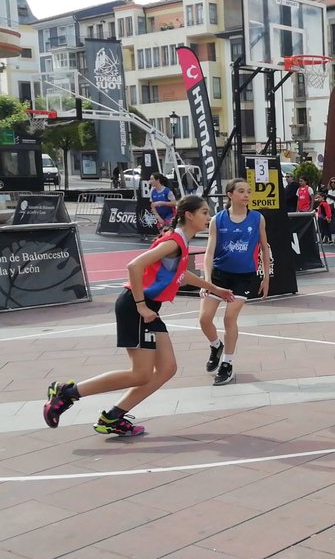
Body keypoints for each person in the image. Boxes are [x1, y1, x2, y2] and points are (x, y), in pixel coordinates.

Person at [43, 196, 236, 436]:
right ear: (189, 215)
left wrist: (215, 289)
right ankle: (66, 393)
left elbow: (182, 275)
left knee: (167, 369)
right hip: (136, 308)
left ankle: (112, 418)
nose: (209, 218)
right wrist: (141, 305)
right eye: (205, 212)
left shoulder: (180, 242)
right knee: (141, 374)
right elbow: (134, 266)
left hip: (149, 309)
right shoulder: (174, 242)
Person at [199, 179, 271, 386]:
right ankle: (215, 346)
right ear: (230, 195)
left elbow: (264, 248)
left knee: (229, 319)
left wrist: (266, 277)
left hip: (244, 276)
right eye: (241, 191)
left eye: (248, 191)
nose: (246, 195)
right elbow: (209, 252)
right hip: (220, 275)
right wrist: (207, 279)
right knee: (204, 319)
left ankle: (227, 364)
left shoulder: (257, 219)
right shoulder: (217, 220)